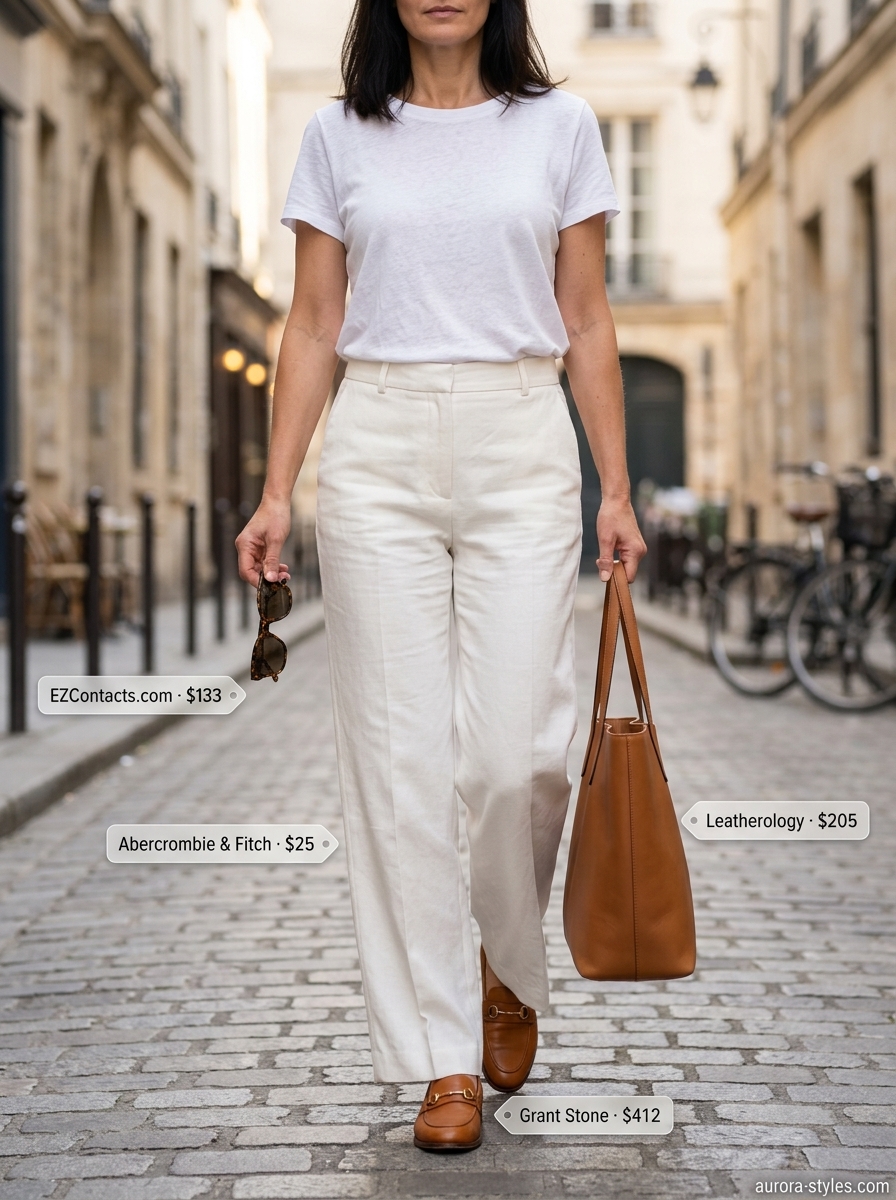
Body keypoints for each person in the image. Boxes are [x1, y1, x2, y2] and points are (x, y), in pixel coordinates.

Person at [236, 0, 646, 1153]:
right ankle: (441, 1057)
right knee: (398, 765)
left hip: (520, 438)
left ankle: (504, 960)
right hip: (377, 445)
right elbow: (313, 322)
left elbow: (585, 319)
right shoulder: (338, 134)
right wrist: (277, 489)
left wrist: (615, 490)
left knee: (517, 758)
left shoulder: (559, 126)